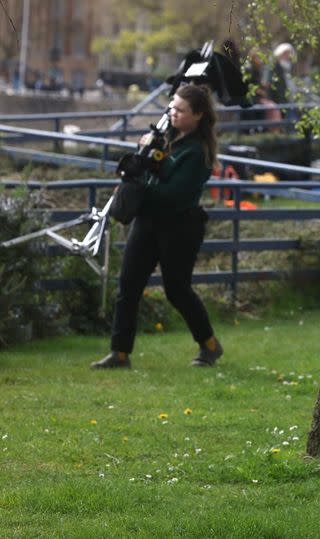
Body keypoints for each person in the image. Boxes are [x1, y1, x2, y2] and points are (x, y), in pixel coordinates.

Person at [92, 84, 223, 368]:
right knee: (128, 284)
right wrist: (142, 156)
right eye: (171, 107)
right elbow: (151, 171)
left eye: (180, 110)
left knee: (177, 290)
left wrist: (144, 177)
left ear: (198, 115)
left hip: (179, 226)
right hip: (148, 221)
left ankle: (210, 345)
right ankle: (120, 352)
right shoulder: (166, 139)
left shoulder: (197, 153)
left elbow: (174, 195)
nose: (173, 114)